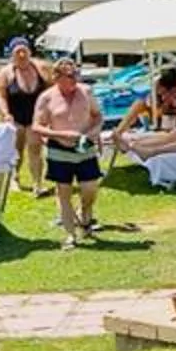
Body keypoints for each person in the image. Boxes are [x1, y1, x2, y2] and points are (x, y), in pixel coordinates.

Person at [30, 56, 106, 248]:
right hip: (59, 149)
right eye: (69, 76)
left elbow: (98, 116)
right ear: (57, 77)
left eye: (76, 75)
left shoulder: (86, 92)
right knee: (63, 192)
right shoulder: (47, 97)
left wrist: (92, 133)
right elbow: (37, 126)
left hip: (84, 147)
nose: (74, 79)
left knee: (90, 188)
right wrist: (59, 134)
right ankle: (70, 234)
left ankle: (85, 213)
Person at [0, 37, 49, 195]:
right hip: (15, 115)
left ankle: (37, 183)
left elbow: (50, 91)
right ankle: (14, 178)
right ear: (12, 54)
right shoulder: (6, 73)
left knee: (35, 149)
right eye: (18, 52)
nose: (22, 55)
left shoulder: (41, 69)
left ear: (29, 51)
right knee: (16, 150)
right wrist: (6, 114)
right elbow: (1, 95)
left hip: (35, 116)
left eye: (24, 51)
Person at [112, 66, 176, 145]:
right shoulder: (157, 85)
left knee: (170, 113)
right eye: (165, 90)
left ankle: (165, 129)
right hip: (156, 116)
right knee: (138, 103)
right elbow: (154, 107)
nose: (168, 91)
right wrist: (164, 103)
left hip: (172, 117)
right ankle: (119, 132)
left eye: (171, 89)